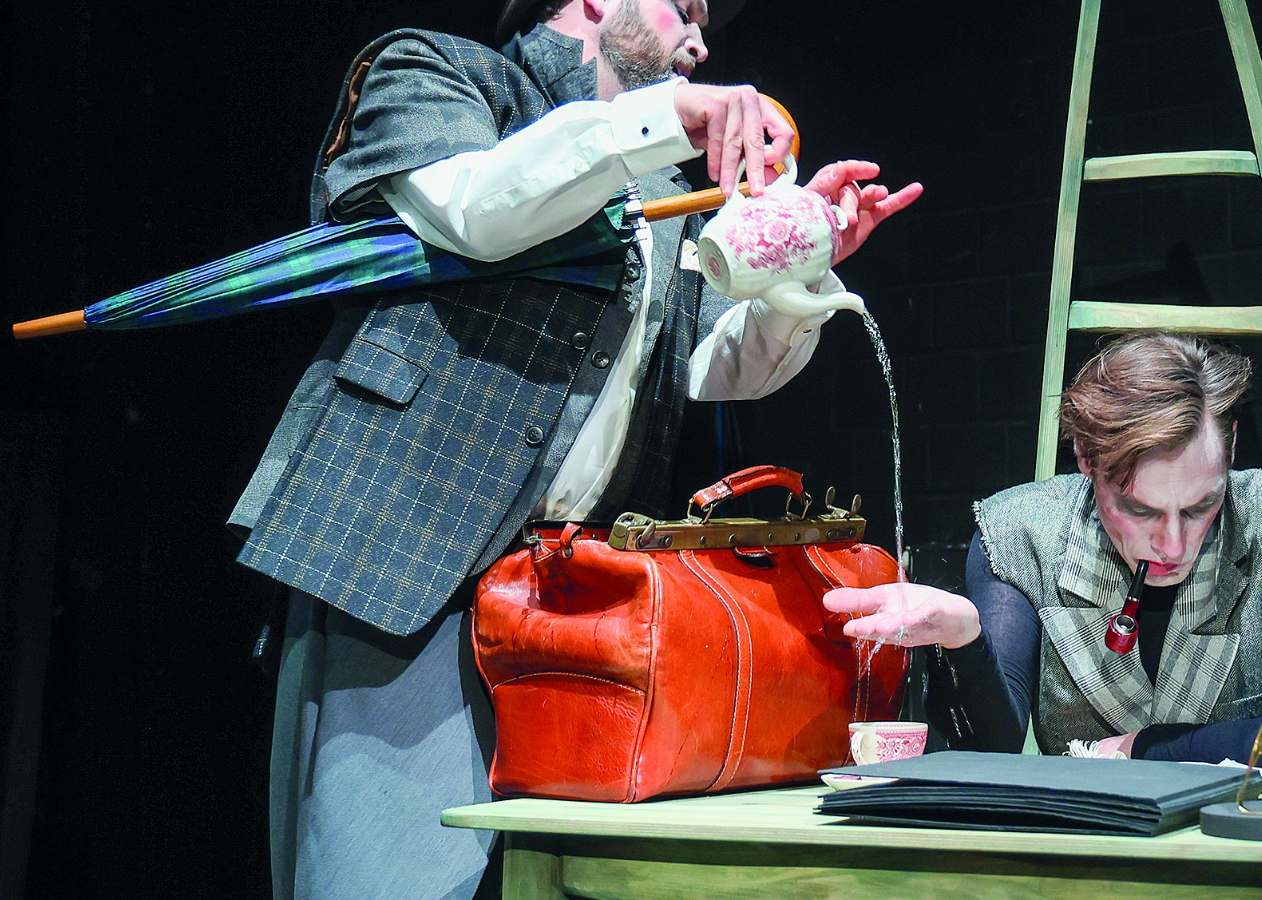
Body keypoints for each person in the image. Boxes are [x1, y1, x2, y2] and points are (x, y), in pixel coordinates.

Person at [228, 1, 921, 897]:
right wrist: (662, 119)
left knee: (553, 876)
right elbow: (476, 207)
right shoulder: (441, 73)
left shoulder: (657, 177)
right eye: (685, 7)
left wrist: (804, 260)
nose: (700, 41)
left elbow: (710, 363)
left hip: (567, 586)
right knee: (389, 873)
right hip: (414, 549)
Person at [825, 330, 1262, 781]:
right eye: (1141, 510)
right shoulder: (1021, 533)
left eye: (1201, 506)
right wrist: (965, 642)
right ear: (1085, 458)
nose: (1173, 544)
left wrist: (1147, 748)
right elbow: (989, 753)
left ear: (1229, 451)